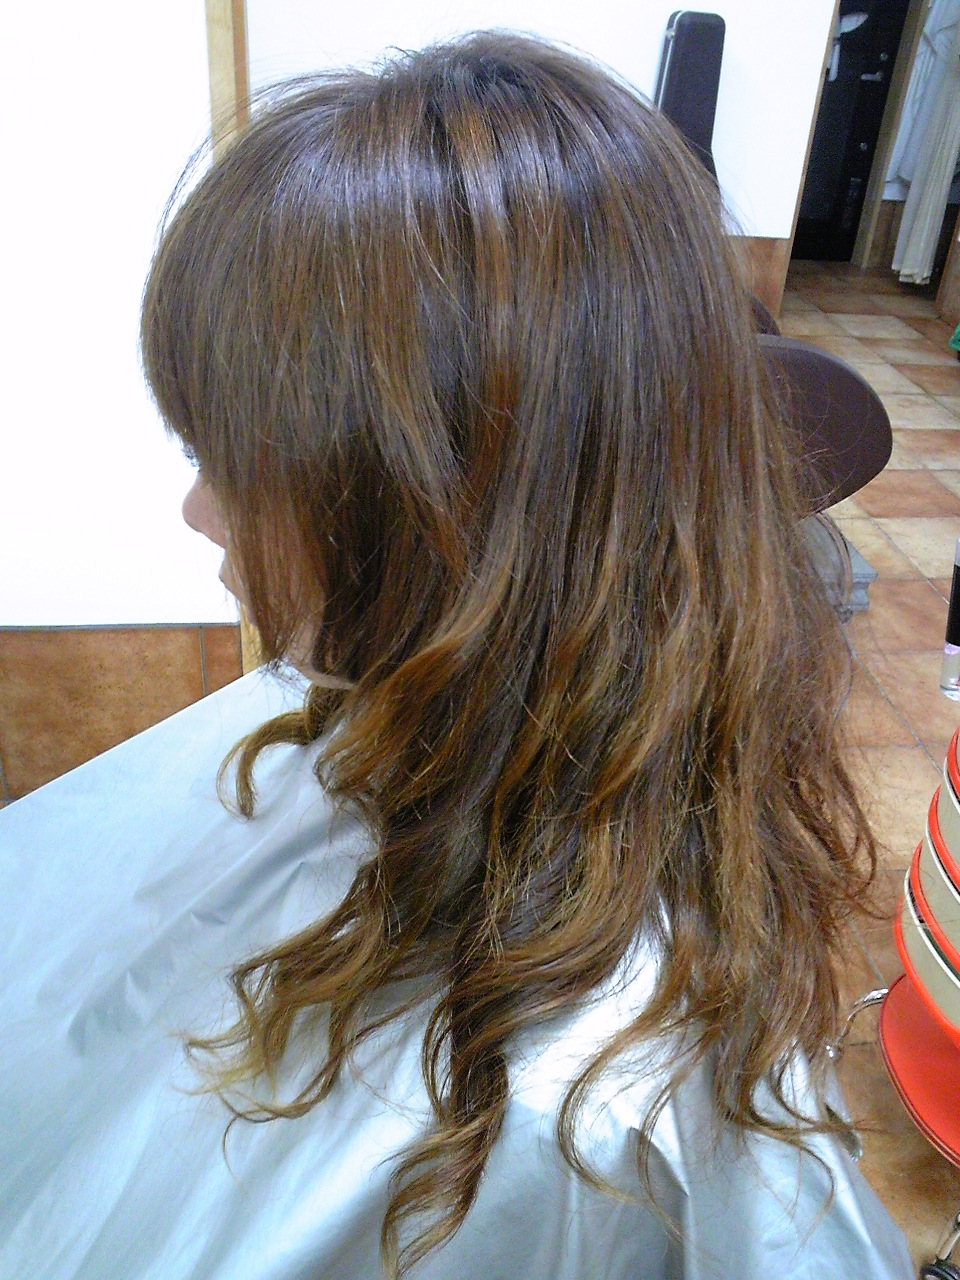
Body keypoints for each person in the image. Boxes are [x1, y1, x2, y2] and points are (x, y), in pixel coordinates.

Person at [0, 31, 912, 1280]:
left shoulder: (598, 1105)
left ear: (436, 518)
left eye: (234, 463)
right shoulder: (386, 714)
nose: (199, 512)